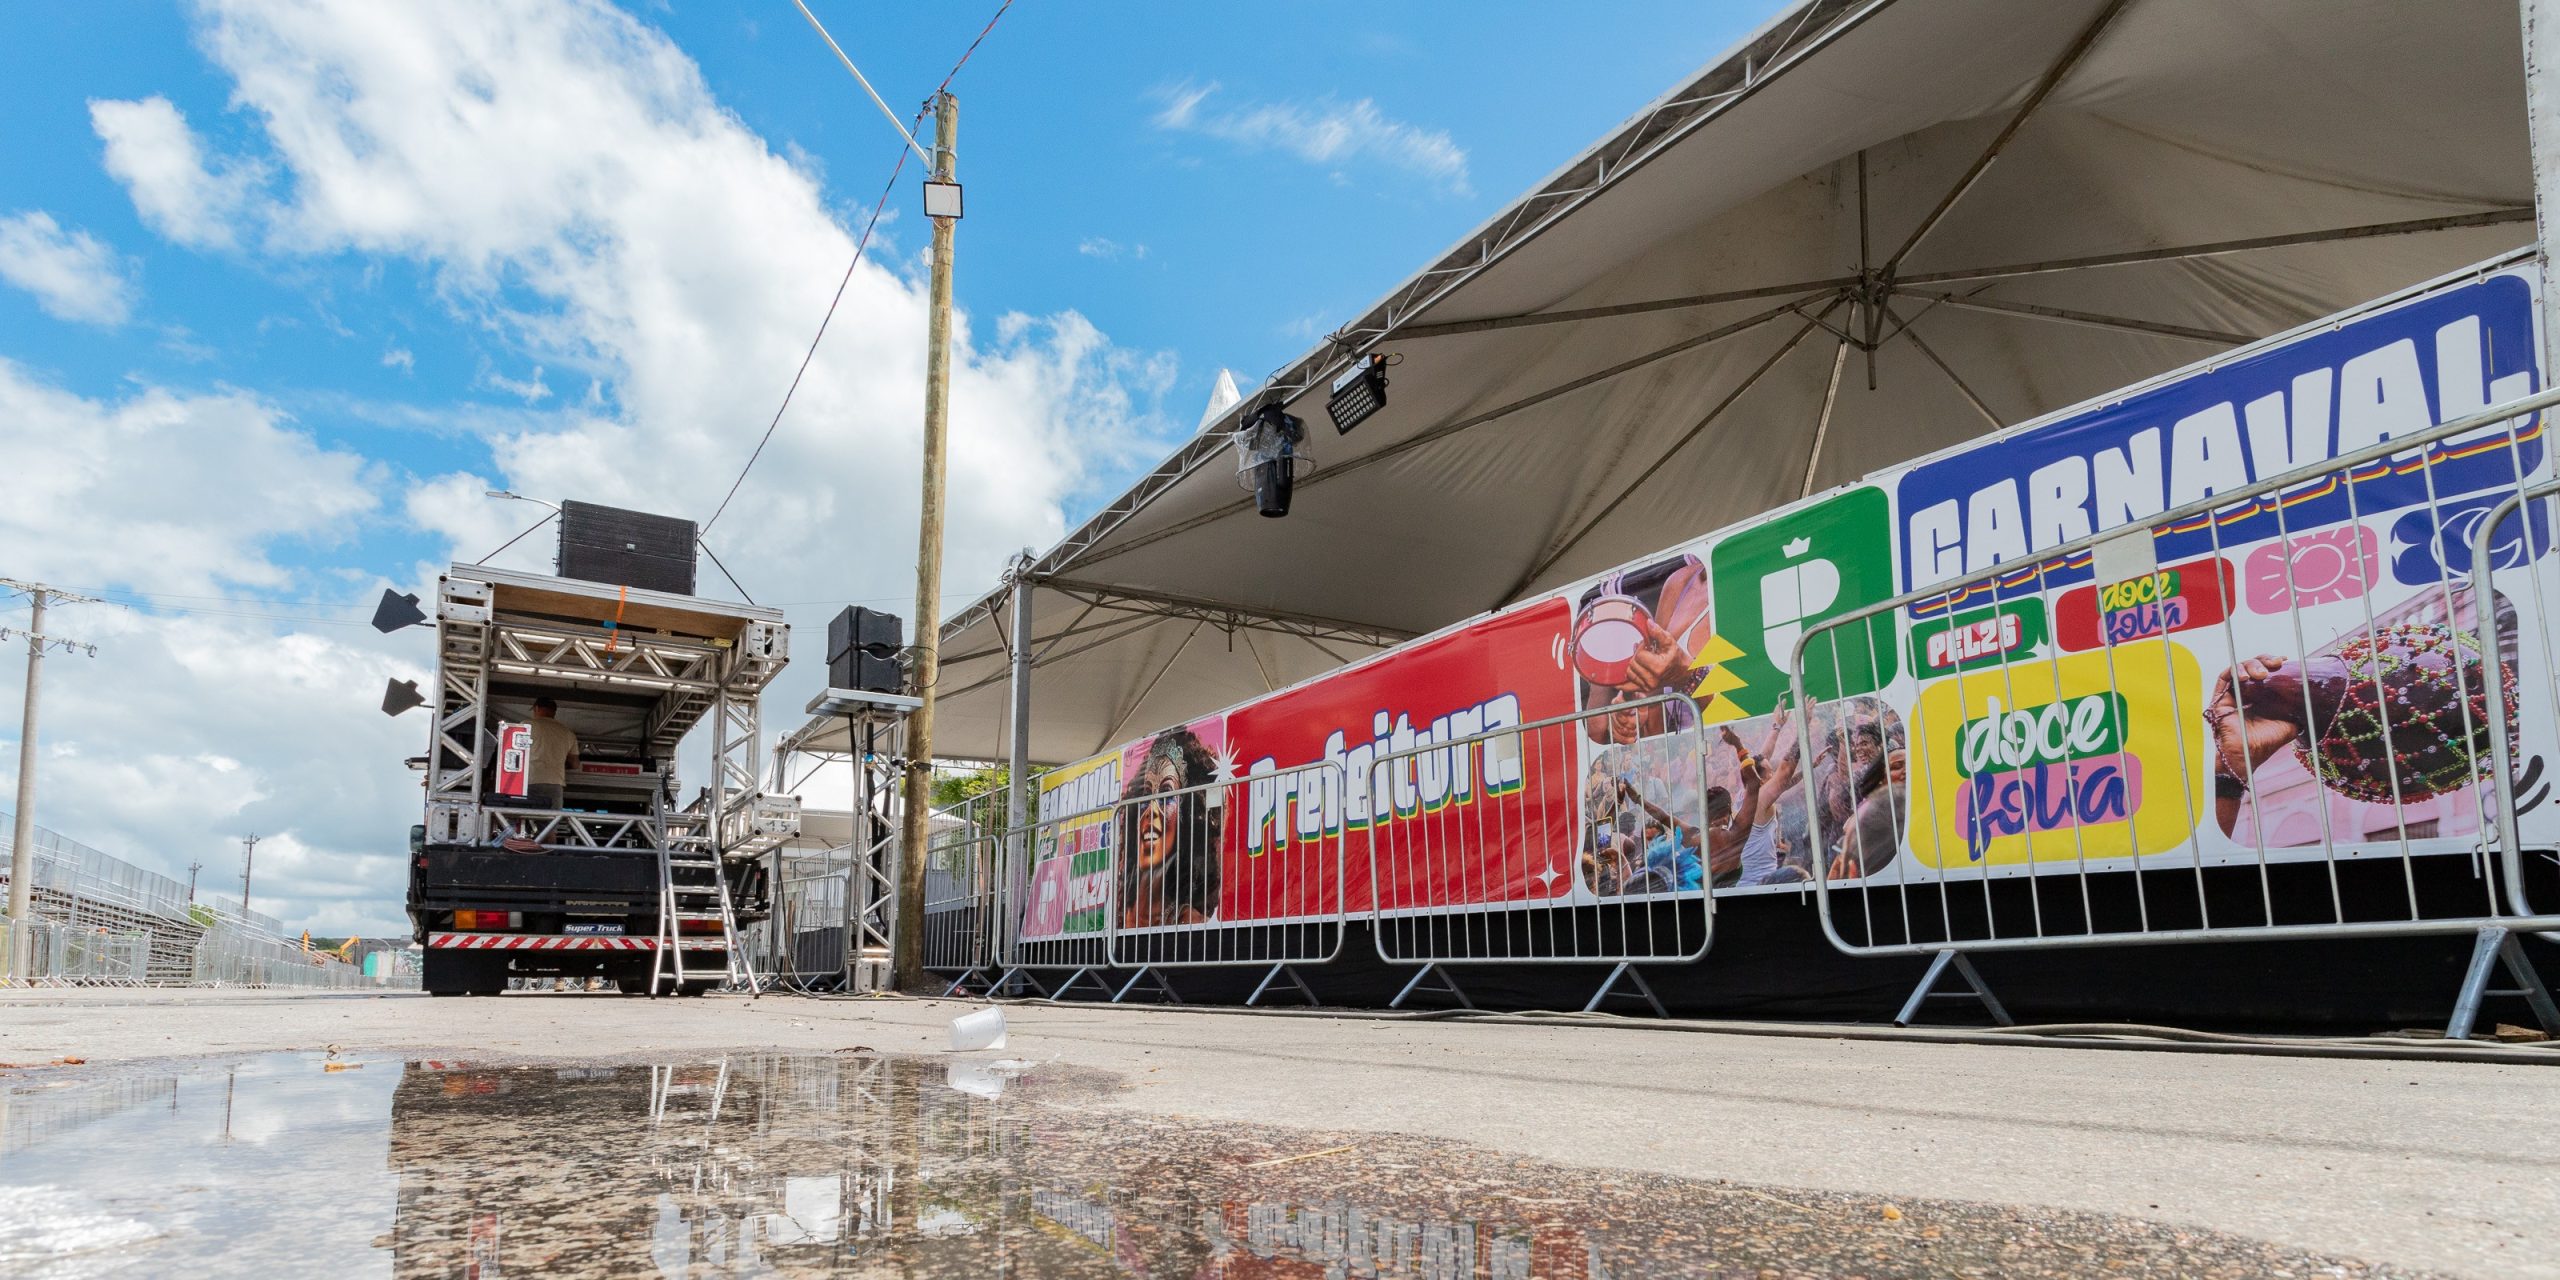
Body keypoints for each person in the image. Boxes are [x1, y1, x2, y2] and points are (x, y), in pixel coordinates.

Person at [524, 696, 579, 810]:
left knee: (523, 820)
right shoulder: (567, 733)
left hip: (530, 780)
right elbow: (575, 764)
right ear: (554, 711)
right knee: (550, 823)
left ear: (537, 708)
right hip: (555, 784)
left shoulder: (526, 726)